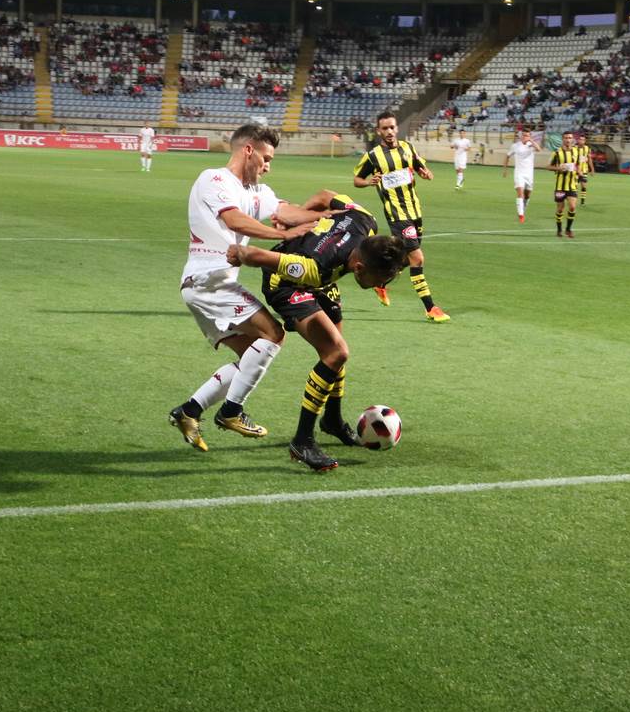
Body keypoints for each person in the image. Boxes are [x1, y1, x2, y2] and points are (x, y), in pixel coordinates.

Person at [168, 122, 327, 452]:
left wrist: (335, 215)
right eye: (266, 158)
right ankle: (231, 411)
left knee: (249, 357)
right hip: (207, 280)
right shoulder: (214, 179)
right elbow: (234, 219)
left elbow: (287, 211)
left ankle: (189, 411)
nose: (268, 166)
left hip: (210, 285)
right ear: (248, 150)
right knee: (273, 334)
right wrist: (283, 235)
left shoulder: (258, 192)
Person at [226, 195, 408, 471]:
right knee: (335, 352)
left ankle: (332, 420)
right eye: (379, 280)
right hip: (287, 285)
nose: (379, 286)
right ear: (359, 268)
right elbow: (255, 256)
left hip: (321, 276)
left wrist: (301, 212)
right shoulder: (312, 268)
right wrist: (238, 253)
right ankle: (302, 441)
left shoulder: (364, 219)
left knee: (337, 339)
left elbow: (325, 196)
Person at [353, 111, 450, 322]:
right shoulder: (373, 156)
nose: (389, 131)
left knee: (405, 259)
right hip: (397, 214)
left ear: (396, 128)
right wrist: (369, 181)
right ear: (379, 131)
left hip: (415, 210)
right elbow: (357, 180)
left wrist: (426, 172)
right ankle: (430, 308)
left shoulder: (408, 147)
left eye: (391, 127)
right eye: (384, 128)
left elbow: (418, 165)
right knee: (417, 258)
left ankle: (380, 283)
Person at [546, 130, 583, 237]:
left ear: (572, 139)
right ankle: (559, 229)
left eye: (570, 138)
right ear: (563, 139)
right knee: (560, 208)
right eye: (566, 138)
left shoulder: (577, 152)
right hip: (560, 186)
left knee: (572, 207)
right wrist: (558, 168)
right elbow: (548, 166)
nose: (568, 140)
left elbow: (578, 165)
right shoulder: (556, 152)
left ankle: (568, 229)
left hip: (572, 185)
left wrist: (580, 173)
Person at [505, 130, 538, 223]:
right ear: (521, 136)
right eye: (523, 135)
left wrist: (531, 141)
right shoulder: (515, 146)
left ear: (530, 137)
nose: (525, 137)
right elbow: (507, 156)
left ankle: (522, 208)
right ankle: (521, 215)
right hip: (519, 173)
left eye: (527, 135)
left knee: (527, 195)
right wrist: (505, 170)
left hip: (529, 174)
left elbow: (539, 149)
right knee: (520, 192)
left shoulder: (531, 145)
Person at [576, 131, 594, 204]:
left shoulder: (587, 148)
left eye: (583, 140)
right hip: (576, 170)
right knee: (574, 186)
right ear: (578, 140)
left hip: (584, 170)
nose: (581, 141)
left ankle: (582, 201)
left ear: (585, 141)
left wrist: (592, 169)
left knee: (583, 186)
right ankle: (573, 199)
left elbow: (589, 159)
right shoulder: (574, 148)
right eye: (580, 139)